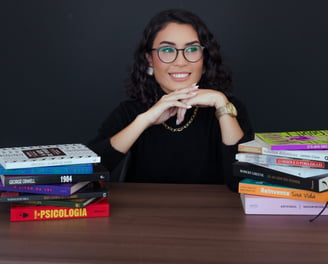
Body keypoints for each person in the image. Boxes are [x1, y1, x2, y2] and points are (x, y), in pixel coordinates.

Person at [88, 9, 253, 192]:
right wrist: (145, 120)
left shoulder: (230, 108)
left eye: (192, 49)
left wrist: (221, 104)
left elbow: (246, 182)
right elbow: (88, 175)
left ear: (204, 60)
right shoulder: (131, 111)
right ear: (150, 60)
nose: (181, 62)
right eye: (167, 50)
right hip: (143, 217)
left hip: (213, 217)